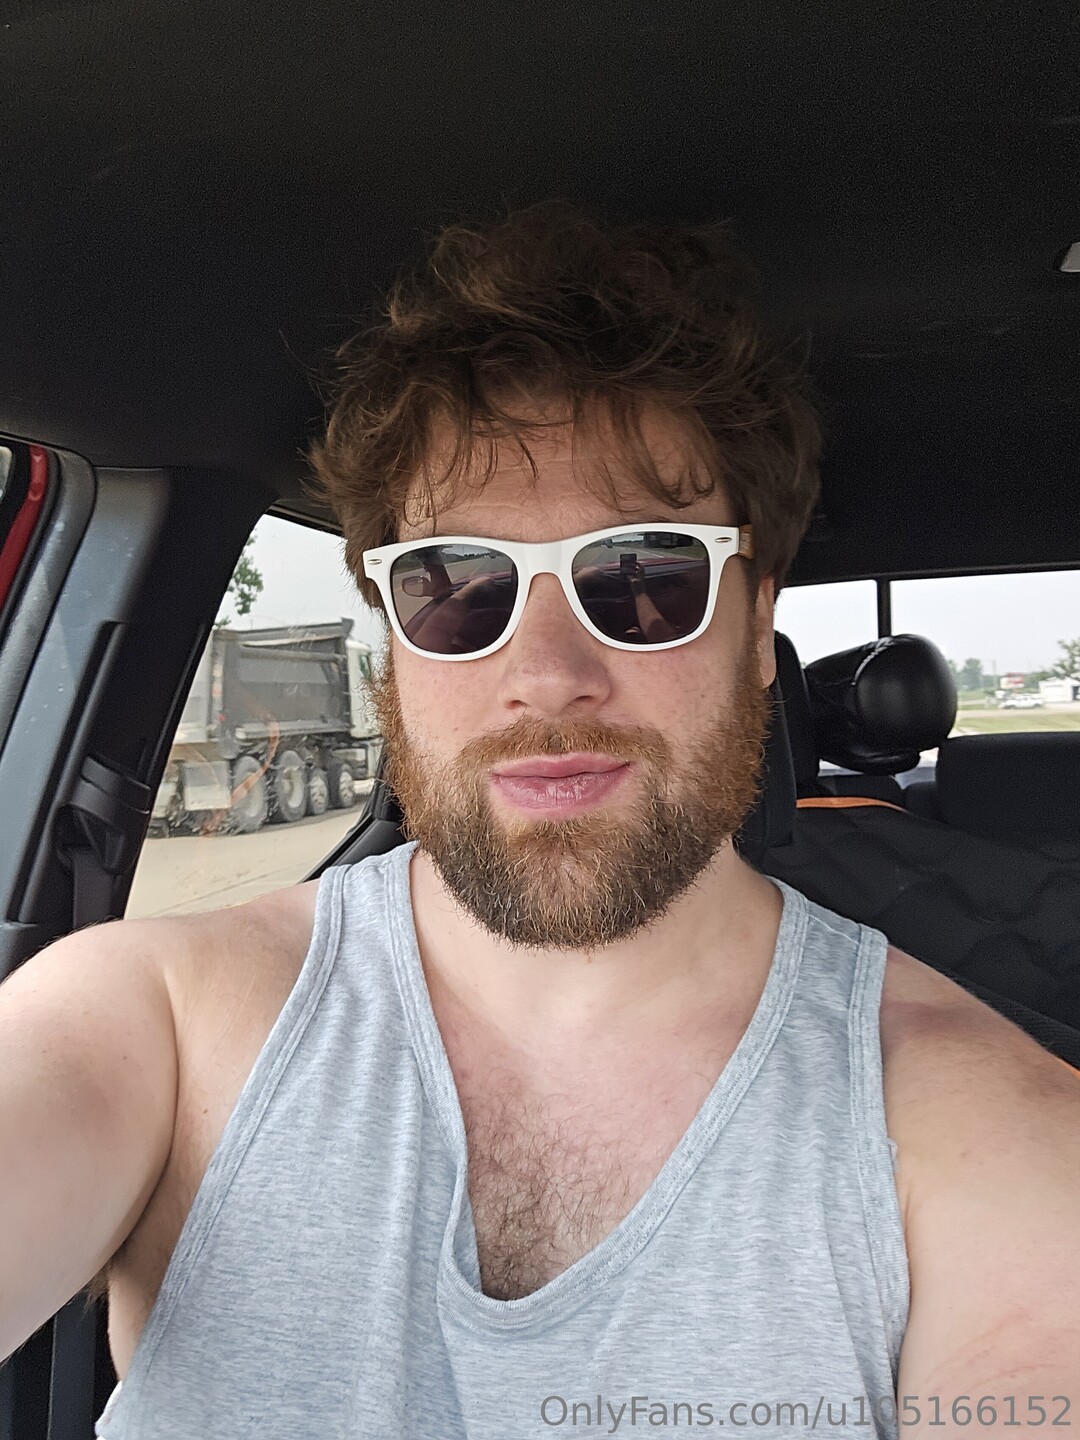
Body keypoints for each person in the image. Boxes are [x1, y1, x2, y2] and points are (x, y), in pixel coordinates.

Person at [2, 203, 1078, 1439]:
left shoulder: (984, 1133)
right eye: (458, 588)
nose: (547, 676)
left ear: (757, 625)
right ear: (394, 641)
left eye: (645, 577)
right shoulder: (153, 1022)